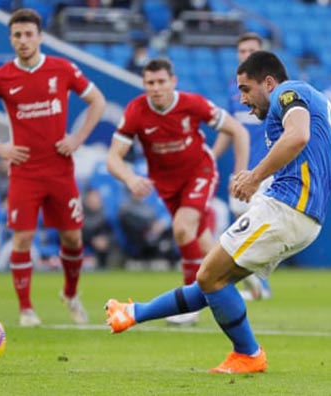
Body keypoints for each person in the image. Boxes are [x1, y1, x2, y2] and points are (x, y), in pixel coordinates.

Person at [105, 50, 331, 373]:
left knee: (209, 275)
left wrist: (254, 176)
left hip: (286, 208)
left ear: (268, 82)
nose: (243, 100)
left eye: (246, 90)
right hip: (300, 216)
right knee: (214, 279)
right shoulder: (326, 110)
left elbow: (298, 135)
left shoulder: (288, 93)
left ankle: (248, 354)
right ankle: (135, 313)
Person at [0, 8, 106, 326]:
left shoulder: (62, 69)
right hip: (25, 173)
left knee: (72, 239)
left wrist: (78, 138)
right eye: (17, 35)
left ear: (40, 37)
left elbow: (97, 101)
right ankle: (26, 310)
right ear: (11, 39)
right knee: (22, 241)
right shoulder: (2, 77)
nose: (23, 40)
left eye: (29, 34)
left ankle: (71, 294)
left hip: (60, 170)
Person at [106, 58, 249, 325]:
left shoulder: (192, 103)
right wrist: (129, 177)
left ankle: (189, 304)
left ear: (173, 81)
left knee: (182, 228)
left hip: (200, 172)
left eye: (161, 82)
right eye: (150, 83)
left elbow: (237, 130)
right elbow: (113, 158)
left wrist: (239, 175)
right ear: (144, 84)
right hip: (167, 185)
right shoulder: (136, 111)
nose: (156, 88)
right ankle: (239, 281)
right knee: (204, 242)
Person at [212, 32, 271, 301]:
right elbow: (230, 130)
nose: (245, 55)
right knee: (241, 225)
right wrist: (211, 156)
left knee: (259, 227)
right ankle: (254, 284)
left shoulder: (273, 89)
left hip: (267, 171)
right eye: (242, 51)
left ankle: (261, 284)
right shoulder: (233, 90)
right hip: (241, 170)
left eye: (251, 51)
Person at [82, 188, 119, 269]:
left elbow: (113, 234)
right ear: (86, 200)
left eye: (97, 199)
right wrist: (93, 240)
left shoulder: (106, 215)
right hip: (85, 244)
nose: (95, 201)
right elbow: (80, 233)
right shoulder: (80, 214)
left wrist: (107, 240)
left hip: (104, 247)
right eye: (92, 199)